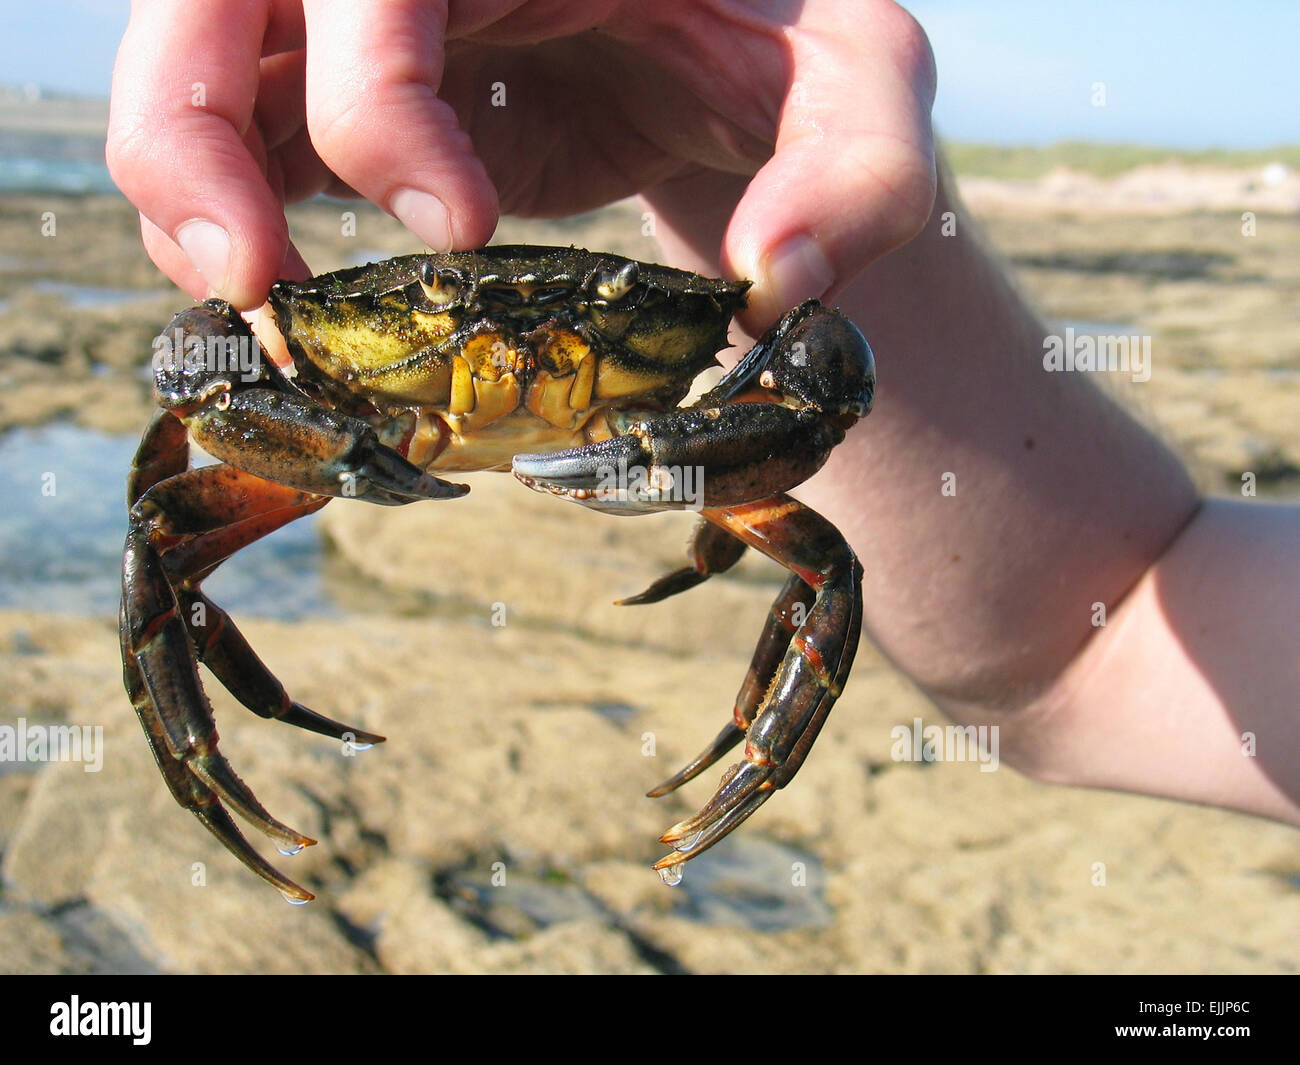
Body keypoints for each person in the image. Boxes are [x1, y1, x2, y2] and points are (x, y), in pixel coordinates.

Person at [107, 0, 1299, 829]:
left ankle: (750, 748)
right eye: (454, 330)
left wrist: (709, 434)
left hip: (588, 419)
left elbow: (821, 366)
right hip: (403, 403)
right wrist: (734, 141)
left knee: (817, 563)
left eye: (591, 325)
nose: (523, 362)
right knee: (164, 547)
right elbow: (1088, 639)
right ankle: (216, 750)